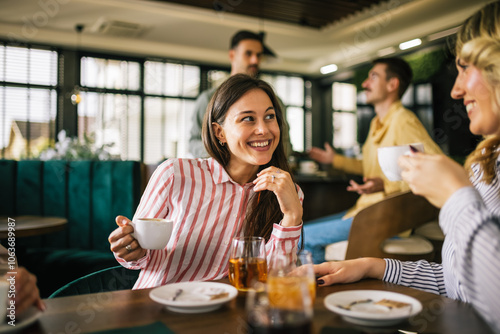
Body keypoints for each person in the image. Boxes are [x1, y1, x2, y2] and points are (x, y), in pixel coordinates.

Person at [314, 2, 500, 332]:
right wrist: (374, 267)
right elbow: (459, 282)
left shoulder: (405, 122)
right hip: (368, 206)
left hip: (380, 213)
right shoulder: (487, 166)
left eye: (465, 68)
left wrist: (456, 197)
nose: (456, 90)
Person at [109, 74, 303, 289]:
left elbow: (276, 278)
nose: (263, 130)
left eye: (270, 116)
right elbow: (137, 258)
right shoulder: (174, 174)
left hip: (227, 314)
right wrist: (130, 250)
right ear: (219, 132)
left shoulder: (287, 192)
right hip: (159, 306)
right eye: (248, 118)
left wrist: (292, 216)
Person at [304, 57, 442, 263]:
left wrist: (385, 185)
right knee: (301, 229)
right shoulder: (376, 123)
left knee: (303, 237)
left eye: (373, 77)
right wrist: (335, 160)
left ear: (392, 84)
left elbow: (433, 168)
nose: (364, 84)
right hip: (368, 208)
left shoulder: (403, 121)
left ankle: (316, 292)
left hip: (388, 216)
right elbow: (371, 167)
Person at [188, 30, 292, 158]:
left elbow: (285, 143)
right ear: (232, 55)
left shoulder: (275, 101)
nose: (254, 60)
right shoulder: (208, 99)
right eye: (248, 54)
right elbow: (194, 142)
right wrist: (230, 156)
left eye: (258, 55)